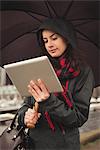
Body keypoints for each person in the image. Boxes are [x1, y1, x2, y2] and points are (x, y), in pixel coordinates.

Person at [18, 18, 94, 150]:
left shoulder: (83, 72)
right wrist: (25, 116)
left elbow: (78, 118)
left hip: (64, 145)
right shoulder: (40, 67)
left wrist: (48, 100)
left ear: (66, 38)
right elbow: (26, 105)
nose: (49, 45)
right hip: (34, 144)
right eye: (45, 41)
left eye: (54, 38)